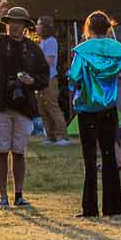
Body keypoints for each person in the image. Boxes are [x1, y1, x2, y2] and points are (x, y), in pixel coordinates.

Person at [0, 0, 50, 208]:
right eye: (11, 21)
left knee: (19, 153)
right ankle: (3, 197)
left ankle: (19, 195)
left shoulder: (33, 49)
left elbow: (44, 75)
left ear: (26, 26)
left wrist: (32, 81)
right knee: (0, 151)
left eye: (19, 22)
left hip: (23, 106)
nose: (14, 25)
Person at [67, 10, 121, 217]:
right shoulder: (117, 50)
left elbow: (74, 75)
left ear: (88, 28)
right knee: (109, 157)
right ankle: (113, 207)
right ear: (108, 27)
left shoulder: (82, 50)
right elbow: (116, 70)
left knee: (90, 159)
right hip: (109, 107)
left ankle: (90, 208)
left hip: (87, 107)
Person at [32, 18, 71, 147]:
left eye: (38, 24)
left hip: (49, 79)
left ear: (45, 27)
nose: (36, 27)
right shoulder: (42, 42)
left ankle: (63, 137)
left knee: (52, 107)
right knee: (42, 109)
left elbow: (48, 62)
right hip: (40, 80)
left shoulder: (51, 41)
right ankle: (51, 137)